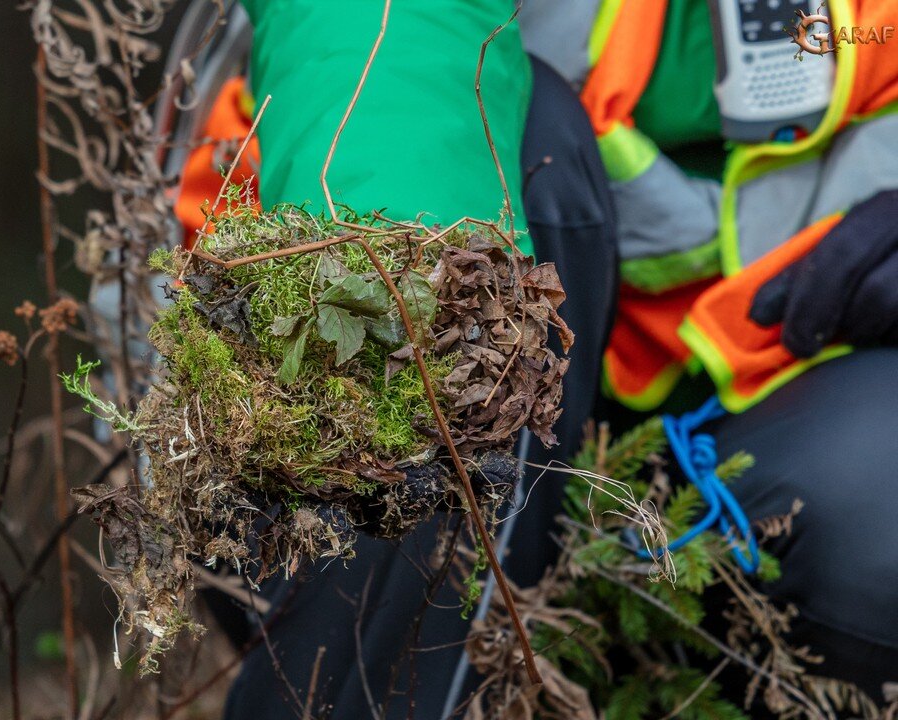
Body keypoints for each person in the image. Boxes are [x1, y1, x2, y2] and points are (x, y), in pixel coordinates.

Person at [171, 1, 898, 716]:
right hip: (356, 426)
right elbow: (382, 33)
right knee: (504, 155)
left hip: (781, 431)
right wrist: (396, 295)